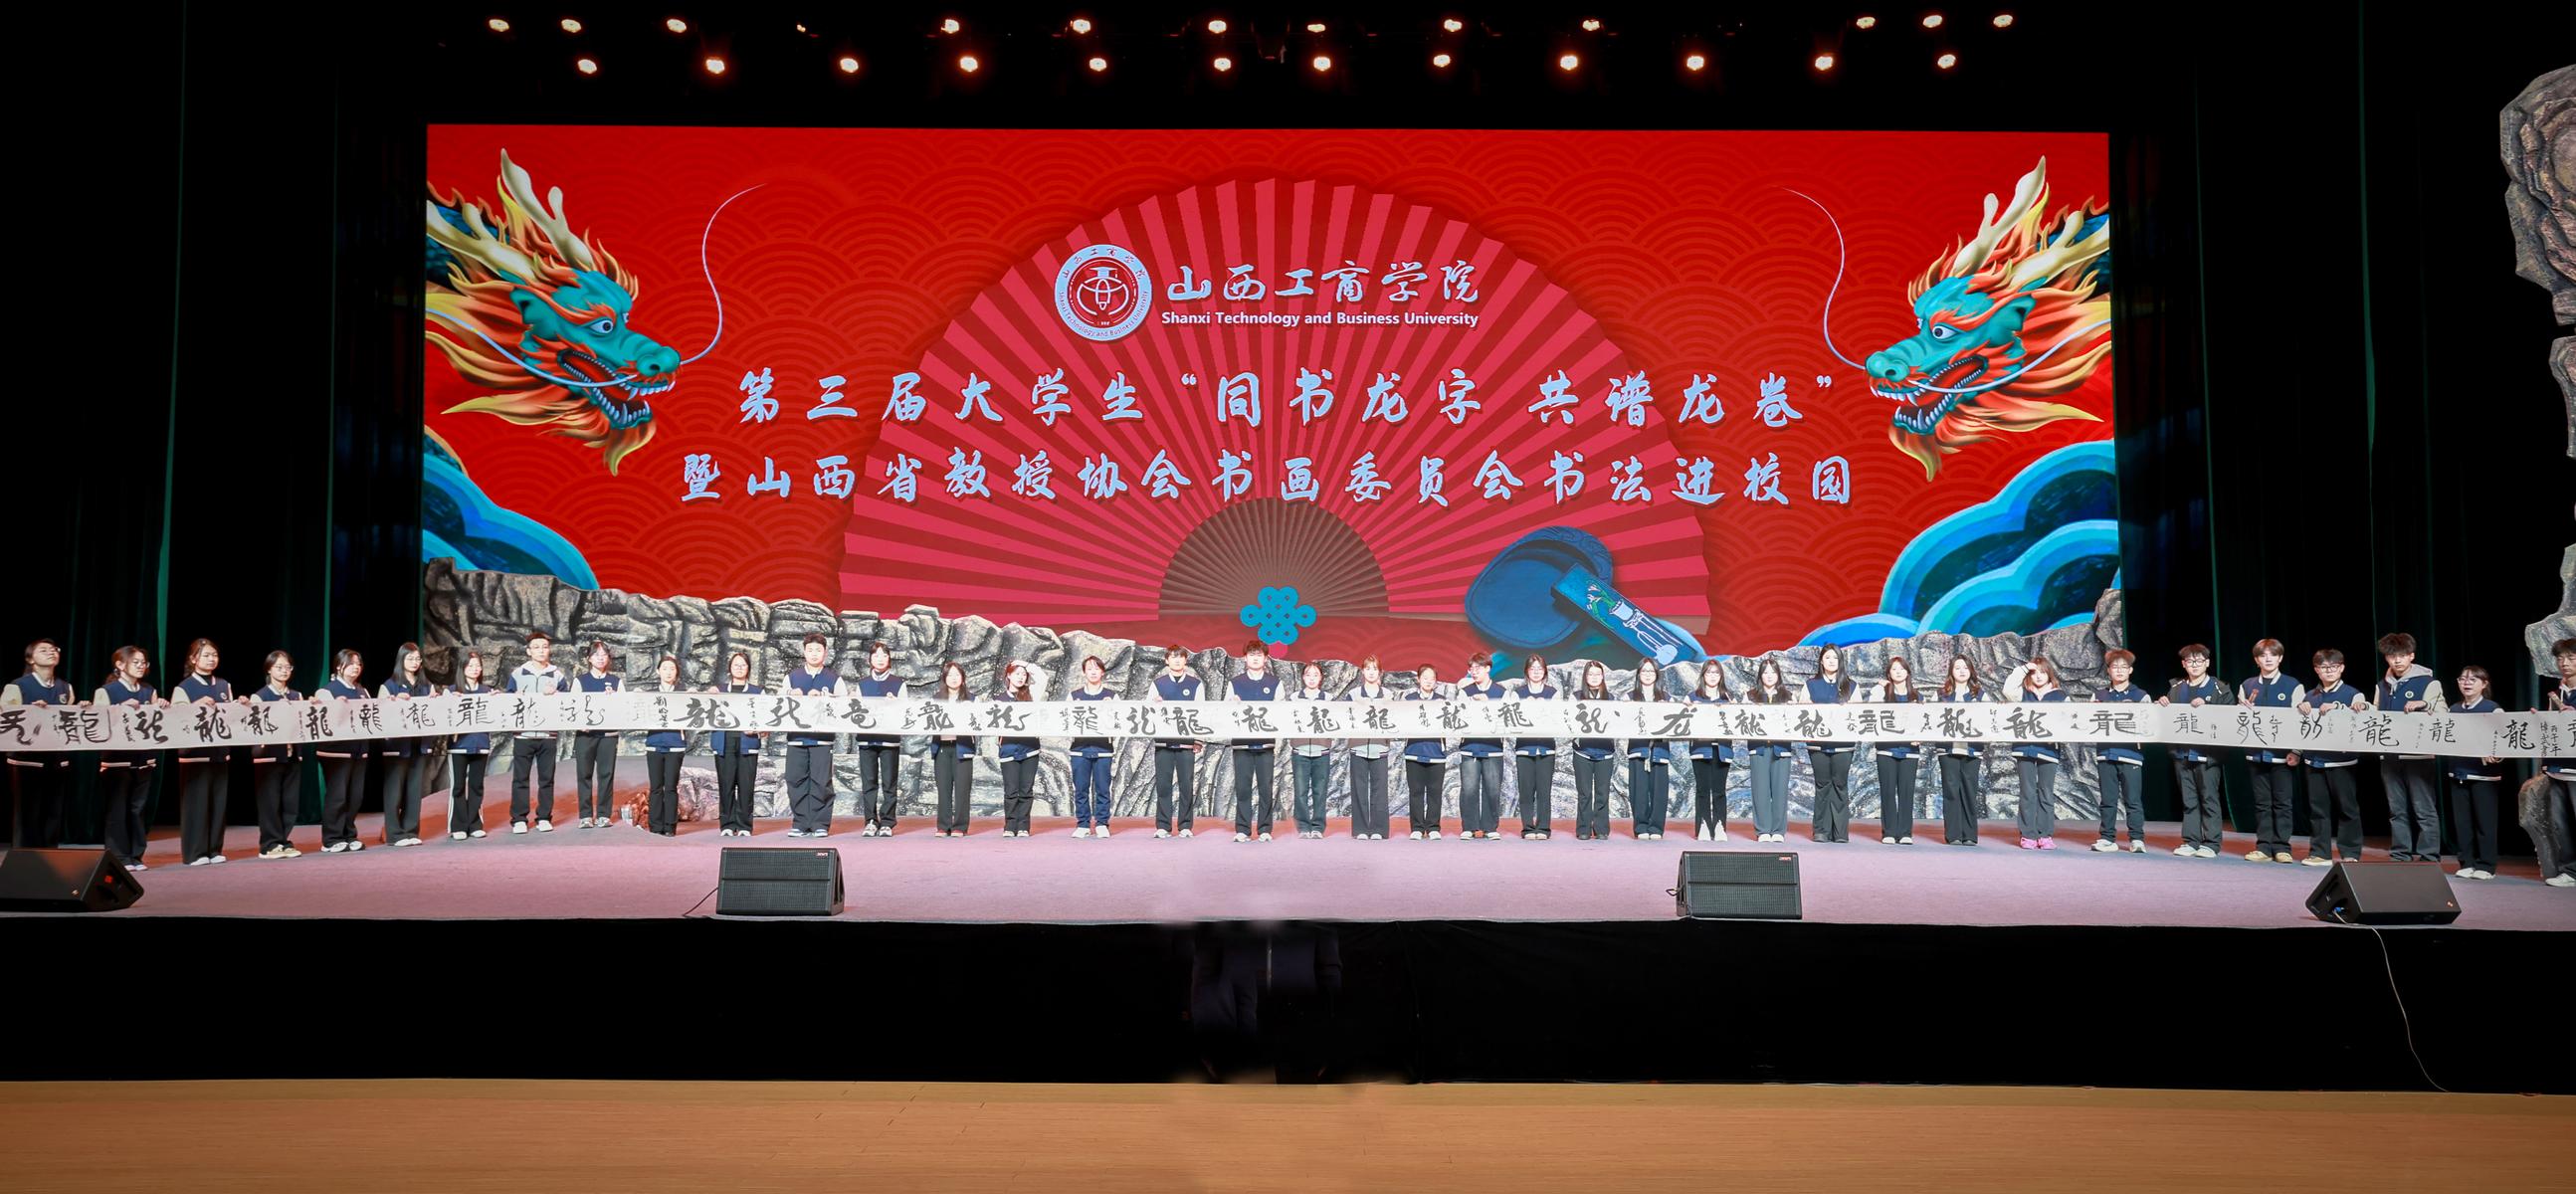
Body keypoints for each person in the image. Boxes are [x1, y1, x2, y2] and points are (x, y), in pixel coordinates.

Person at [2372, 632, 2448, 863]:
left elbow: (2443, 713)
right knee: (2396, 810)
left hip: (2418, 756)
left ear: (2411, 656)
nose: (2397, 660)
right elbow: (2375, 712)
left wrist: (2423, 704)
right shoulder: (2382, 685)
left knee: (2423, 809)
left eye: (2402, 655)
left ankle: (2428, 856)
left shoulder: (2428, 682)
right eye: (2391, 656)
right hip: (2390, 755)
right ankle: (2400, 854)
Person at [2294, 648, 2371, 867]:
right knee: (2318, 809)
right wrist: (2300, 708)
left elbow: (2365, 713)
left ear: (2342, 668)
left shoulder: (2353, 693)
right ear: (2316, 670)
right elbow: (2299, 728)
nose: (2329, 671)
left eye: (2333, 666)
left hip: (2342, 761)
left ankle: (2350, 853)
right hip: (2314, 760)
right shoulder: (2309, 696)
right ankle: (2320, 853)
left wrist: (2339, 708)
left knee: (2347, 808)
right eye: (2323, 667)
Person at [2157, 644, 2231, 858]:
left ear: (2207, 663)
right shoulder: (2176, 688)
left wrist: (2209, 708)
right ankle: (2190, 841)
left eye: (2199, 661)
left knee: (2209, 799)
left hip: (2208, 755)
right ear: (2183, 664)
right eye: (2190, 661)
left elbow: (2230, 720)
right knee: (2188, 800)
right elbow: (2166, 719)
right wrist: (2162, 703)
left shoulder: (2220, 688)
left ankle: (2212, 843)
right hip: (2182, 753)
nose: (2194, 665)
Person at [94, 646, 163, 870]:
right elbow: (98, 724)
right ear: (120, 665)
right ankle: (119, 857)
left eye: (144, 662)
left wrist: (163, 706)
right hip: (117, 759)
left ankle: (136, 855)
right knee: (117, 809)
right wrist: (119, 709)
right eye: (136, 662)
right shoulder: (107, 691)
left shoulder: (148, 690)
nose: (141, 666)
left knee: (137, 808)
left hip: (144, 758)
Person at [2237, 639, 2303, 865]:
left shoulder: (2292, 685)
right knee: (2262, 803)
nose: (2268, 659)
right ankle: (2263, 847)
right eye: (2263, 655)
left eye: (2272, 655)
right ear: (2256, 660)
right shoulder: (2247, 685)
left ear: (2280, 658)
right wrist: (2240, 710)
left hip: (2283, 755)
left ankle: (2282, 847)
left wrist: (2297, 750)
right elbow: (2238, 720)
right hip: (2256, 753)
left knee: (2283, 803)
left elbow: (2300, 722)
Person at [6, 638, 76, 849]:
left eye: (54, 649)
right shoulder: (18, 686)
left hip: (56, 758)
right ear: (30, 659)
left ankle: (49, 857)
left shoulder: (65, 687)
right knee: (28, 813)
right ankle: (25, 858)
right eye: (43, 650)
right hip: (27, 760)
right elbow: (7, 719)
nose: (51, 652)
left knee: (53, 812)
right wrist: (30, 711)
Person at [172, 639, 238, 866]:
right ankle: (195, 853)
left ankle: (214, 849)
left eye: (214, 655)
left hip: (219, 753)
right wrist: (195, 706)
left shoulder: (224, 685)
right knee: (196, 804)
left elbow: (231, 717)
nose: (211, 659)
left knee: (218, 803)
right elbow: (177, 720)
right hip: (194, 755)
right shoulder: (184, 688)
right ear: (193, 659)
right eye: (206, 655)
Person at [2445, 666, 2504, 881]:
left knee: (2485, 822)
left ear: (2484, 684)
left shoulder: (2493, 709)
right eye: (2462, 679)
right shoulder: (2453, 709)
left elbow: (2504, 740)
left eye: (2473, 679)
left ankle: (2486, 865)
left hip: (2483, 775)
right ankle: (2467, 862)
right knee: (2463, 823)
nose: (2466, 683)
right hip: (2458, 772)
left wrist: (2496, 755)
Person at [2089, 649, 2152, 854]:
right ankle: (2107, 838)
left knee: (2133, 800)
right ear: (2108, 670)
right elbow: (2088, 724)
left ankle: (2137, 839)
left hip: (2131, 755)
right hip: (2105, 753)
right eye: (2115, 667)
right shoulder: (2099, 696)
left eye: (2123, 667)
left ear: (2130, 670)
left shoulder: (2140, 695)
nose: (2119, 670)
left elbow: (2149, 726)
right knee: (2107, 800)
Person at [781, 632, 843, 838]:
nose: (814, 653)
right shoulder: (792, 678)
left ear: (825, 653)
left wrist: (826, 697)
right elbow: (779, 705)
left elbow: (844, 707)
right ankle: (800, 823)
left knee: (821, 782)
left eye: (818, 650)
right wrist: (791, 695)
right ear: (804, 652)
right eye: (810, 650)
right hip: (796, 738)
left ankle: (820, 824)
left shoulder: (834, 679)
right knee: (795, 780)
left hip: (822, 739)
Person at [2004, 657, 2069, 850]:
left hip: (2049, 750)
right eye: (2035, 673)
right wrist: (2024, 668)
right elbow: (2007, 689)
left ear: (2050, 674)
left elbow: (2068, 722)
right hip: (2024, 749)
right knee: (2027, 792)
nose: (2039, 676)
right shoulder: (2022, 693)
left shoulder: (2060, 696)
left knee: (2046, 792)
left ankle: (2045, 834)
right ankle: (2027, 834)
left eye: (2043, 672)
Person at [248, 651, 304, 859]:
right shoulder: (260, 696)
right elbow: (253, 727)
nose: (284, 671)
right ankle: (269, 844)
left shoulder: (296, 696)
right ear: (269, 669)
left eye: (288, 667)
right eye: (279, 667)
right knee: (270, 802)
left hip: (291, 755)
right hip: (268, 756)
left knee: (290, 802)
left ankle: (283, 841)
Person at [377, 642, 434, 847]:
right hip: (397, 747)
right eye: (410, 658)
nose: (414, 662)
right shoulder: (389, 686)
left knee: (414, 790)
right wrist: (393, 701)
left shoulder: (427, 686)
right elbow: (379, 716)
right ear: (401, 660)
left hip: (419, 745)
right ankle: (394, 834)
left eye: (418, 659)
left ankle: (410, 830)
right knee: (394, 791)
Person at [315, 649, 372, 852]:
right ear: (339, 666)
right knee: (337, 796)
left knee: (355, 796)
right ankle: (331, 838)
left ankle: (349, 834)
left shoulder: (362, 691)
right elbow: (321, 722)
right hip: (336, 752)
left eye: (359, 663)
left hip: (359, 750)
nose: (356, 667)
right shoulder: (327, 692)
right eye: (351, 663)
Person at [1227, 641, 1283, 843]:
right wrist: (1232, 705)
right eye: (1251, 655)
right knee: (1243, 787)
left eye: (1259, 655)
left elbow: (1281, 713)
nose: (1255, 658)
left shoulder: (1275, 683)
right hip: (1242, 743)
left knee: (1265, 788)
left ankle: (1265, 829)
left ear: (1266, 658)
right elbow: (1226, 712)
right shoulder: (1235, 683)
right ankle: (1243, 829)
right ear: (1245, 658)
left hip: (1265, 743)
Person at [1802, 645, 1859, 843]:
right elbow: (1803, 712)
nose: (1831, 661)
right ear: (1821, 661)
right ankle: (1821, 830)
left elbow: (1858, 714)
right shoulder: (1810, 685)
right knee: (1822, 784)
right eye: (1827, 657)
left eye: (1835, 657)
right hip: (1818, 744)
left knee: (1840, 784)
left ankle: (1840, 832)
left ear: (1840, 661)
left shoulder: (1852, 686)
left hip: (1843, 744)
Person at [1150, 645, 1204, 838]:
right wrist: (1154, 705)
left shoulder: (1195, 684)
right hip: (1163, 742)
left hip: (1186, 742)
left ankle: (1185, 825)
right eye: (1173, 657)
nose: (1177, 660)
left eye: (1180, 657)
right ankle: (1163, 826)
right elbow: (1147, 712)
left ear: (1185, 660)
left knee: (1186, 785)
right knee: (1163, 785)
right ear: (1167, 661)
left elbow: (1200, 713)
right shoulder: (1158, 684)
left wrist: (1198, 740)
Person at [853, 641, 904, 838]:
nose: (880, 659)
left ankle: (888, 822)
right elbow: (856, 711)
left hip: (889, 739)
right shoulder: (862, 684)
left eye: (884, 655)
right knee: (869, 782)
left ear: (889, 659)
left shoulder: (898, 683)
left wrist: (895, 704)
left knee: (889, 782)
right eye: (876, 655)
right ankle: (870, 821)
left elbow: (905, 712)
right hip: (866, 739)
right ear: (870, 660)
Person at [569, 640, 623, 830]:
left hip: (608, 734)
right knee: (584, 774)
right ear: (589, 659)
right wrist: (579, 724)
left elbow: (623, 707)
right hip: (586, 735)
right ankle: (585, 815)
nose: (601, 658)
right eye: (596, 655)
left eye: (604, 655)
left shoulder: (616, 682)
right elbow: (573, 707)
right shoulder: (580, 681)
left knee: (606, 774)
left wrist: (614, 698)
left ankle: (603, 815)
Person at [1455, 653, 1508, 840]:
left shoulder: (1501, 692)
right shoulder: (1465, 692)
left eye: (1478, 668)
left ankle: (1490, 827)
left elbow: (1505, 719)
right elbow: (1460, 717)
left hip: (1493, 747)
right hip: (1470, 746)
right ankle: (1469, 826)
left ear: (1488, 668)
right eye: (1471, 668)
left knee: (1492, 789)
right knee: (1468, 789)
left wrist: (1488, 704)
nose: (1474, 671)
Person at [1934, 656, 1986, 846]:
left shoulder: (1980, 695)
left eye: (1965, 667)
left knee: (1969, 790)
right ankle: (1953, 834)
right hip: (1947, 749)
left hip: (1972, 749)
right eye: (1957, 668)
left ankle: (1970, 834)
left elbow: (1989, 720)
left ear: (1971, 670)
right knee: (1951, 790)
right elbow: (1930, 719)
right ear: (1951, 671)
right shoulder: (1941, 695)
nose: (1962, 671)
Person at [1342, 656, 1395, 840]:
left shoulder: (1388, 695)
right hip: (1358, 747)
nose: (1371, 672)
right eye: (1368, 668)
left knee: (1380, 790)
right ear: (1362, 671)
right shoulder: (1353, 695)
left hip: (1380, 747)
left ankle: (1379, 829)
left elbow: (1394, 719)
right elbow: (1345, 717)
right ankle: (1361, 829)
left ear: (1380, 672)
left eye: (1375, 669)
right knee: (1359, 789)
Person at [711, 651, 763, 837]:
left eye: (743, 665)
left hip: (747, 742)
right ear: (730, 668)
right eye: (736, 665)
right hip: (724, 742)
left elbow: (766, 719)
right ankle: (727, 824)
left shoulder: (758, 691)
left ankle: (744, 826)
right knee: (725, 786)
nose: (739, 668)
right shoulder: (719, 690)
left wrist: (756, 729)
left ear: (748, 668)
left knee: (746, 786)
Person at [1745, 657, 1795, 843]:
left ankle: (1778, 830)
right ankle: (1763, 830)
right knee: (1760, 791)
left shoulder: (1788, 697)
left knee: (1780, 790)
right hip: (1758, 748)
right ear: (1760, 675)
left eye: (1773, 672)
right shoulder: (1750, 696)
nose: (1769, 675)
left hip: (1781, 748)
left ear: (1779, 675)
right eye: (1765, 672)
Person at [447, 649, 495, 841]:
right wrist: (447, 701)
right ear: (462, 667)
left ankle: (475, 824)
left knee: (477, 786)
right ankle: (458, 826)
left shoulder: (487, 691)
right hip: (458, 746)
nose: (475, 669)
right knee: (458, 786)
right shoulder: (452, 691)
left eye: (478, 665)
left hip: (480, 744)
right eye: (471, 665)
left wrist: (498, 699)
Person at [1872, 656, 1920, 845]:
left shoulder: (1917, 696)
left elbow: (1924, 722)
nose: (1898, 672)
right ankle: (1889, 832)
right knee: (1888, 792)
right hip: (1886, 749)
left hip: (1910, 750)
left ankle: (1906, 832)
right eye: (1894, 669)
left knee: (1907, 792)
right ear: (1888, 674)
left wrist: (1920, 736)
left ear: (1908, 672)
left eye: (1901, 669)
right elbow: (1871, 709)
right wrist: (1880, 687)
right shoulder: (1882, 694)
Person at [1511, 655, 1561, 840]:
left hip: (1546, 749)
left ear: (1545, 672)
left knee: (1544, 791)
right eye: (1532, 668)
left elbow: (1557, 719)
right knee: (1526, 791)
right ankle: (1527, 828)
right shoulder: (1518, 693)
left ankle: (1543, 828)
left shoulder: (1553, 693)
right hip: (1524, 748)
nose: (1536, 672)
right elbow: (1513, 720)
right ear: (1526, 671)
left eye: (1540, 668)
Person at [1068, 655, 1116, 839]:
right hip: (1079, 749)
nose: (1093, 672)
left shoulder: (1112, 696)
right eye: (1089, 669)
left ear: (1102, 672)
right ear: (1084, 673)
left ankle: (1102, 823)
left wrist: (1111, 710)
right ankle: (1083, 824)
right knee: (1081, 789)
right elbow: (1066, 720)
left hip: (1103, 749)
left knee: (1103, 789)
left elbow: (1119, 722)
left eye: (1097, 668)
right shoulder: (1074, 696)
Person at [1568, 661, 1618, 840]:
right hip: (1582, 751)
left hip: (1605, 752)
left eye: (1598, 674)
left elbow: (1617, 722)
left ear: (1603, 676)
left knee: (1603, 793)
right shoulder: (1576, 697)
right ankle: (1583, 829)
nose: (1594, 677)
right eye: (1591, 674)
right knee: (1584, 793)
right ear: (1585, 677)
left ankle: (1601, 828)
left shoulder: (1611, 698)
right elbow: (1569, 721)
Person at [1286, 660, 1334, 839]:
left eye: (1316, 675)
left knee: (1320, 791)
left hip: (1322, 750)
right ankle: (1303, 826)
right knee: (1300, 791)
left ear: (1321, 678)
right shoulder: (1294, 698)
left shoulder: (1328, 699)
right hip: (1300, 750)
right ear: (1303, 677)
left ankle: (1318, 827)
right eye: (1308, 675)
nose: (1312, 678)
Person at [2542, 639, 2576, 888]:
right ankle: (2569, 871)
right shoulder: (2557, 692)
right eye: (2560, 658)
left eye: (2571, 658)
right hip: (2556, 768)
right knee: (2561, 824)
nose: (2564, 663)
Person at [1626, 660, 1673, 840]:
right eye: (1644, 671)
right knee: (1638, 790)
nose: (1647, 674)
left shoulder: (1666, 698)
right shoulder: (1628, 697)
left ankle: (1656, 828)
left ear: (1657, 674)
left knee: (1659, 791)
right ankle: (1641, 827)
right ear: (1638, 674)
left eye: (1651, 671)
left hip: (1660, 750)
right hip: (1638, 749)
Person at [641, 655, 687, 836]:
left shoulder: (683, 694)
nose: (668, 672)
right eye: (665, 668)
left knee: (671, 787)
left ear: (677, 673)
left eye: (672, 669)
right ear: (658, 671)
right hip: (654, 744)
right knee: (655, 787)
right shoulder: (649, 694)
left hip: (675, 744)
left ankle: (670, 826)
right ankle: (655, 825)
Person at [1402, 663, 1449, 840]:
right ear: (1418, 679)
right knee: (1416, 791)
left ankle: (1433, 827)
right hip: (1414, 751)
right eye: (1425, 678)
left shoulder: (1442, 701)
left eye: (1432, 678)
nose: (1429, 681)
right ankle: (1417, 827)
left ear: (1436, 681)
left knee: (1435, 792)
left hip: (1436, 752)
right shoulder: (1409, 700)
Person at [996, 661, 1041, 838]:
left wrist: (1023, 664)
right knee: (1011, 790)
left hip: (1030, 749)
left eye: (1023, 674)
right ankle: (1010, 825)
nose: (1021, 677)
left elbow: (1042, 677)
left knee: (1026, 790)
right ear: (1008, 675)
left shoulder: (1032, 694)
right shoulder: (999, 700)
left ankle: (1023, 826)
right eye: (1017, 673)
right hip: (1008, 749)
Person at [930, 661, 976, 837]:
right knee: (943, 788)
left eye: (957, 675)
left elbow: (978, 723)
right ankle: (943, 825)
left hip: (962, 747)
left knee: (962, 789)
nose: (954, 678)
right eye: (950, 675)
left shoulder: (972, 699)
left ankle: (960, 826)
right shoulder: (936, 699)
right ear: (944, 678)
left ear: (963, 678)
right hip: (942, 747)